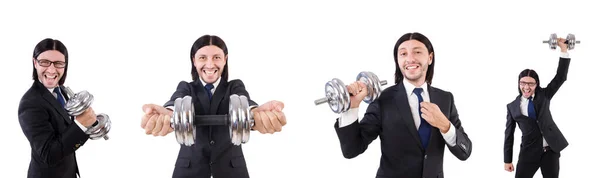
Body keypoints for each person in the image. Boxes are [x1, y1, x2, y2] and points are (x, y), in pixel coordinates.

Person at [141, 35, 287, 178]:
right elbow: (176, 100)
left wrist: (255, 114)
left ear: (225, 60)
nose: (210, 64)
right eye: (202, 58)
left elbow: (245, 102)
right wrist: (169, 114)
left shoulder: (234, 86)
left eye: (216, 57)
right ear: (194, 61)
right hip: (189, 169)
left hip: (231, 170)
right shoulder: (186, 87)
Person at [334, 32, 472, 178]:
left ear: (430, 58)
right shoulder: (382, 99)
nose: (410, 59)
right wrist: (352, 107)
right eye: (403, 54)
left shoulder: (445, 98)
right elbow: (352, 150)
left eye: (417, 52)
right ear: (398, 61)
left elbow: (465, 152)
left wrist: (445, 125)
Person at [18, 38, 98, 178]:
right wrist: (81, 124)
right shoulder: (30, 103)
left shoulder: (62, 91)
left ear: (65, 66)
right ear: (35, 62)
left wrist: (89, 126)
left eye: (58, 63)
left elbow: (67, 134)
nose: (51, 69)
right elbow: (49, 154)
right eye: (44, 62)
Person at [503, 38, 571, 178]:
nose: (526, 87)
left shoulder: (544, 95)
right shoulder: (512, 107)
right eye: (523, 83)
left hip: (550, 151)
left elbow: (560, 77)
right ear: (518, 83)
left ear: (536, 84)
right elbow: (509, 135)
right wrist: (507, 159)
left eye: (531, 84)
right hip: (528, 153)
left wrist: (563, 50)